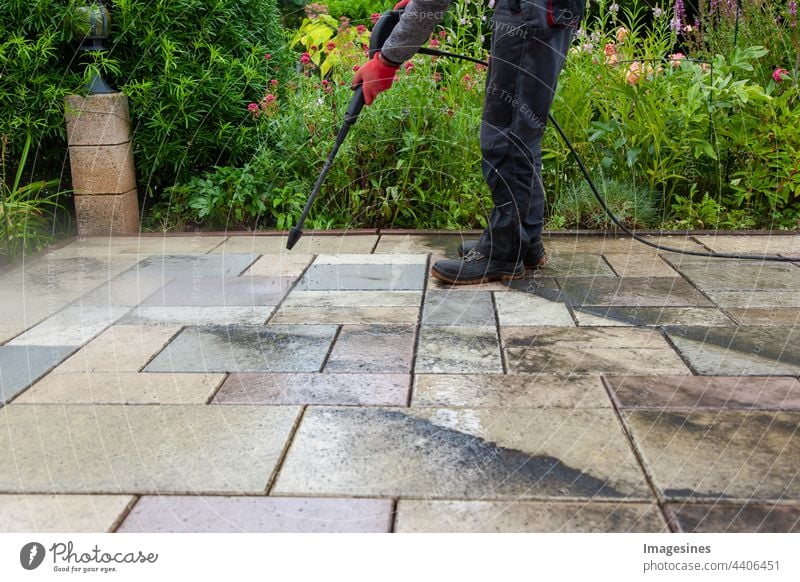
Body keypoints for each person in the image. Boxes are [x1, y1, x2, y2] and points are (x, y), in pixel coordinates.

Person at [353, 0, 585, 284]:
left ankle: (503, 252)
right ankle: (524, 240)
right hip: (547, 12)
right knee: (522, 132)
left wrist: (387, 60)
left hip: (529, 13)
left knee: (506, 136)